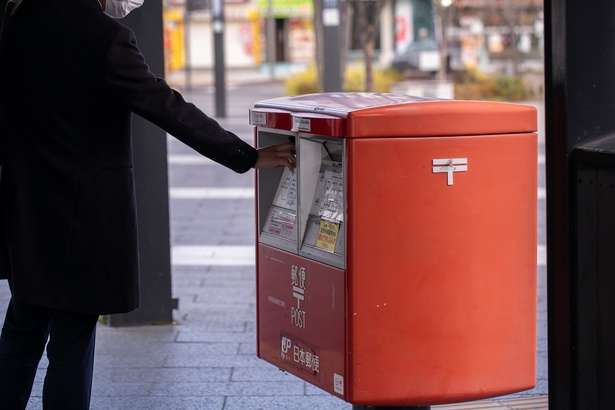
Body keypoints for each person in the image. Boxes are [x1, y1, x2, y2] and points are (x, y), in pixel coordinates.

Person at [0, 0, 295, 409]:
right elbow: (167, 107)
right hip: (83, 221)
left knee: (22, 330)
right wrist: (246, 155)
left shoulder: (16, 24)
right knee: (71, 341)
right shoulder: (104, 38)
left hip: (25, 213)